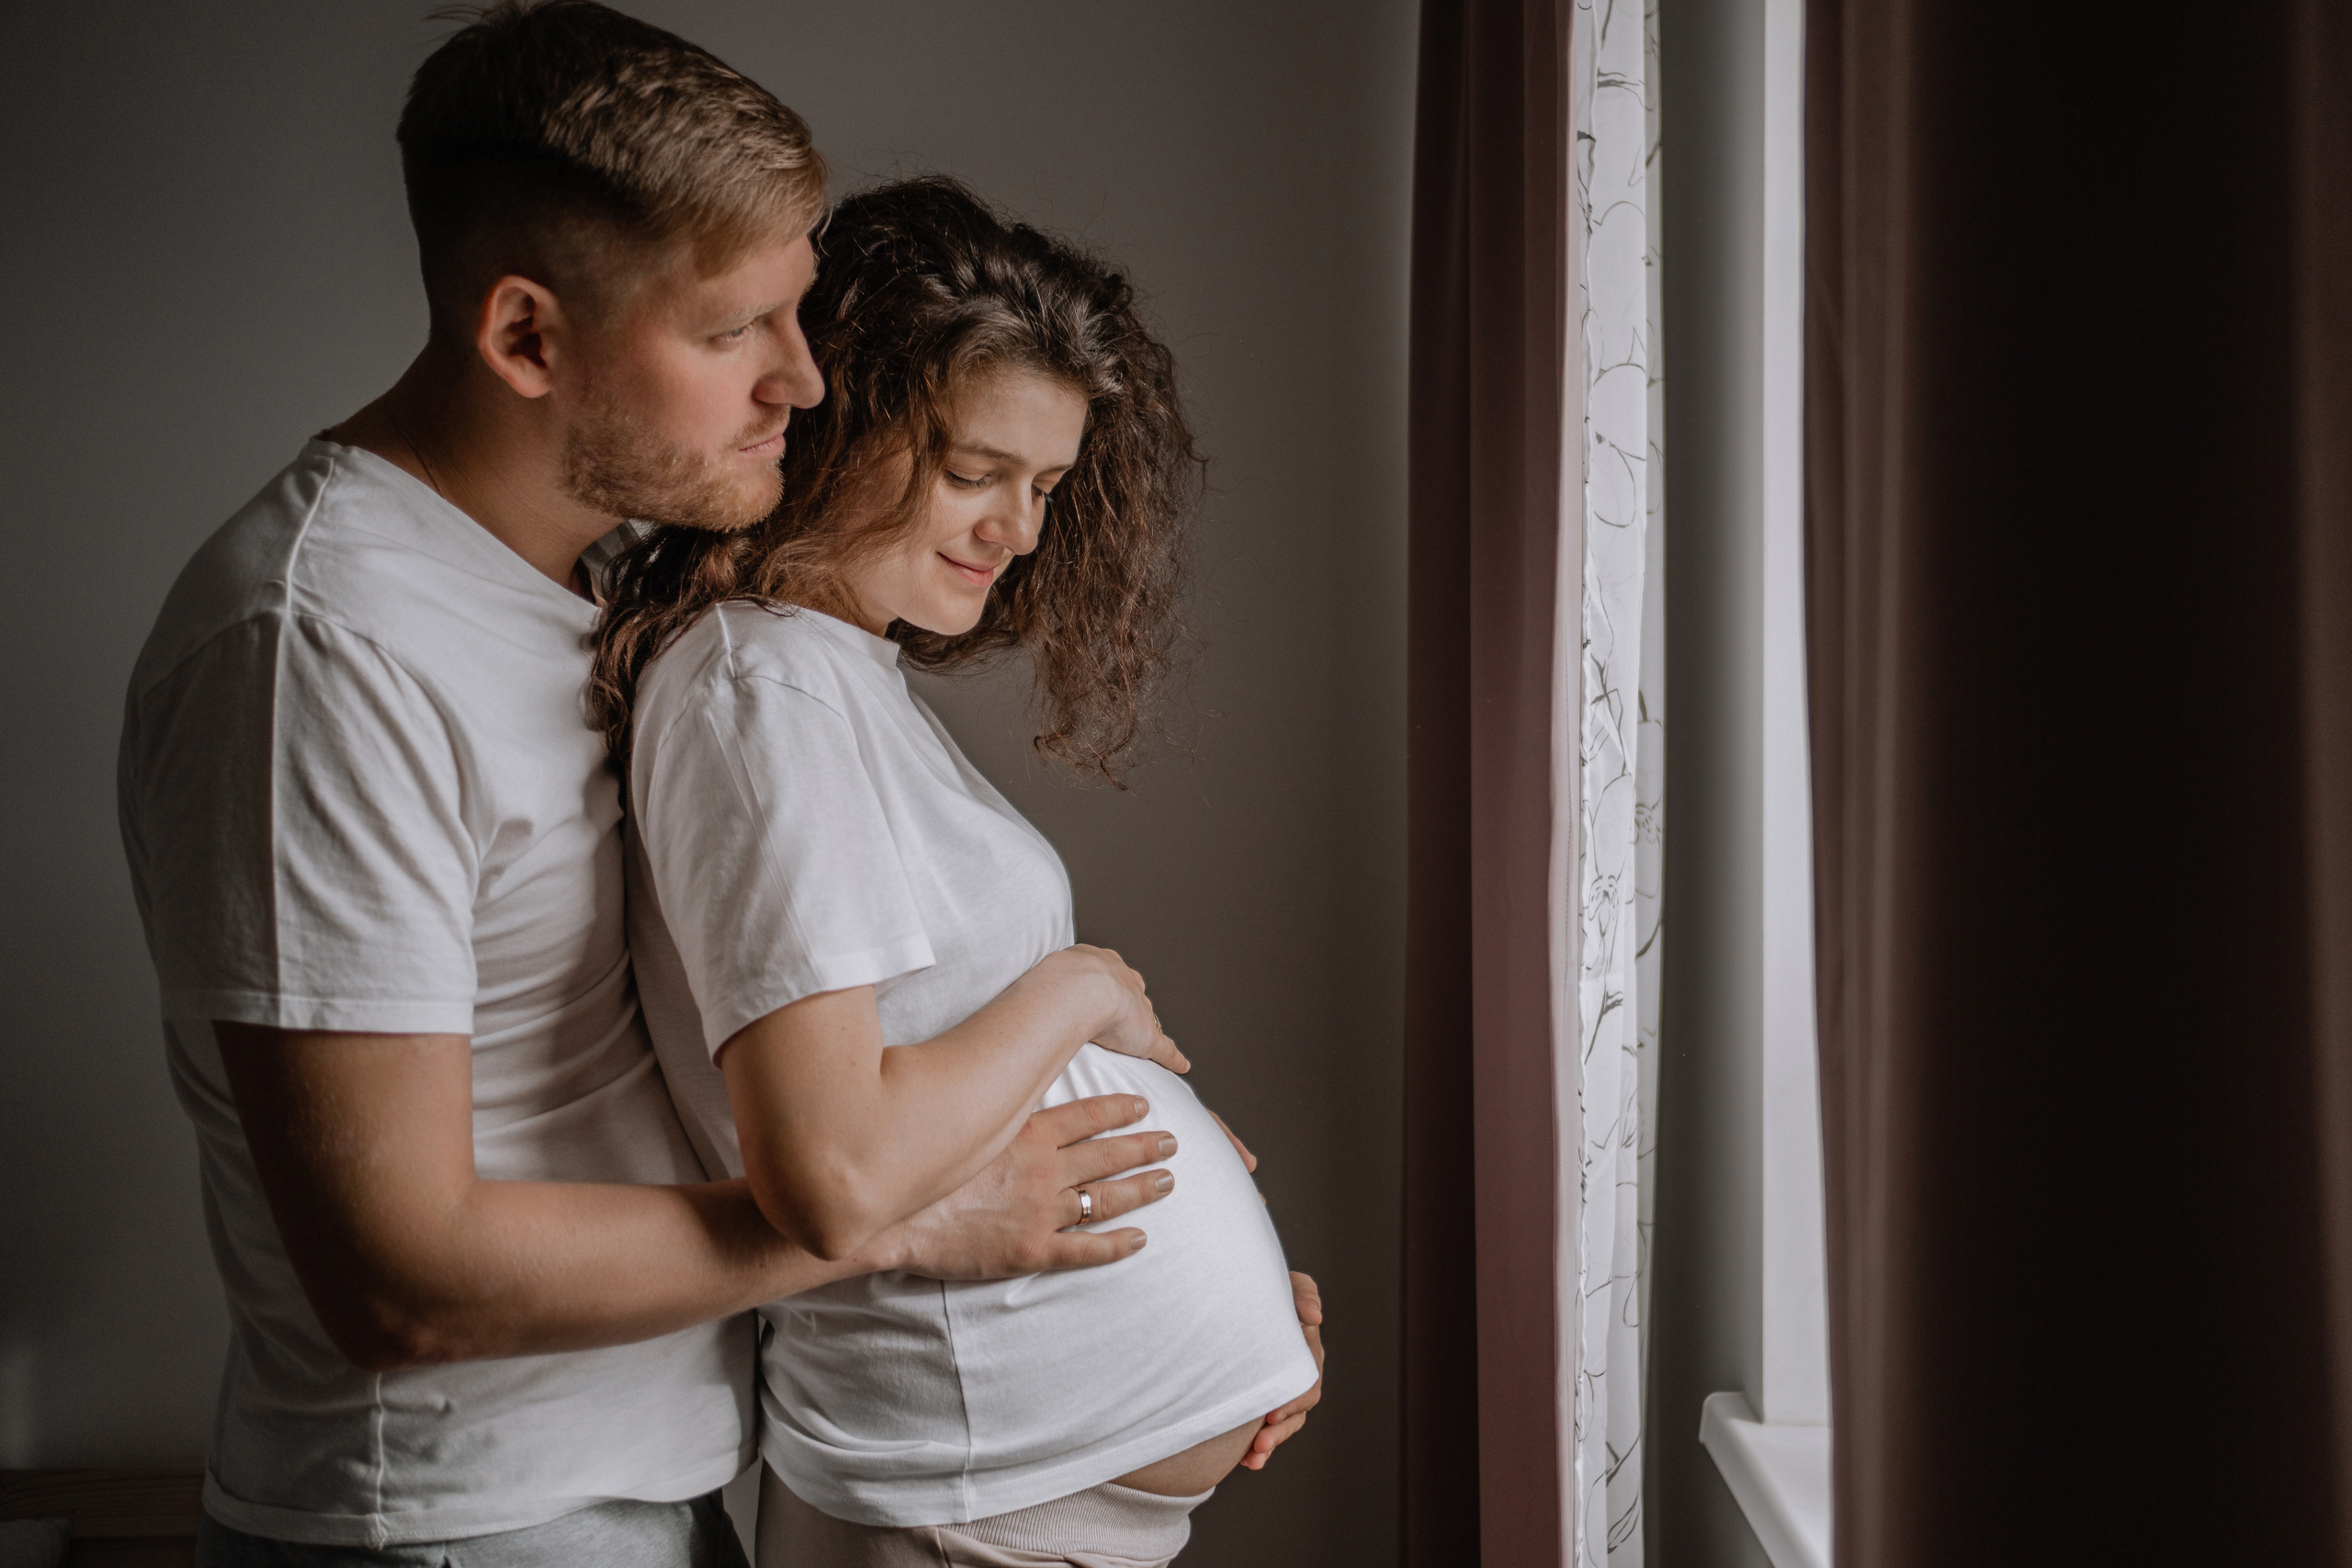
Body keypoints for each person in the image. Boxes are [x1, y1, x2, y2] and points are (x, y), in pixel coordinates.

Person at [116, 6, 1314, 1563]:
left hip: (645, 1475)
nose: (806, 384)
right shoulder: (320, 649)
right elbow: (399, 1279)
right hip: (466, 1525)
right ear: (527, 339)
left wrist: (1185, 1287)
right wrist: (906, 1219)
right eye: (736, 330)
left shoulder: (593, 595)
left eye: (798, 314)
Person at [591, 175, 1324, 1568]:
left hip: (1013, 1484)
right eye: (975, 472)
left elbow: (936, 1067)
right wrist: (1080, 993)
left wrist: (1219, 1299)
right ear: (836, 417)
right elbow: (836, 1165)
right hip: (961, 1495)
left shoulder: (831, 672)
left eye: (1044, 487)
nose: (1020, 530)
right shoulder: (763, 692)